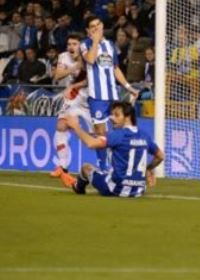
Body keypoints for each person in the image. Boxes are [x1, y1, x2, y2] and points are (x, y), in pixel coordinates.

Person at [59, 101, 164, 198]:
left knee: (86, 168)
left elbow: (91, 144)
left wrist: (76, 127)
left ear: (127, 117)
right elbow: (160, 156)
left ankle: (78, 187)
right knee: (107, 172)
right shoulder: (144, 135)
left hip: (115, 189)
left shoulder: (118, 135)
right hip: (138, 191)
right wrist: (148, 168)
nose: (112, 118)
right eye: (112, 115)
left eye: (117, 115)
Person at [81, 15, 139, 171]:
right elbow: (91, 60)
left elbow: (115, 69)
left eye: (98, 24)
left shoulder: (110, 45)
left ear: (102, 25)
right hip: (97, 97)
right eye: (92, 26)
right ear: (88, 31)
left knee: (117, 132)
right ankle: (102, 166)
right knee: (100, 132)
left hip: (113, 96)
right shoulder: (85, 44)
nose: (96, 28)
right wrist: (94, 40)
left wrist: (128, 87)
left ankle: (118, 164)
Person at [49, 34, 91, 178]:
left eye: (74, 44)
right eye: (69, 44)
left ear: (81, 45)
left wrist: (74, 85)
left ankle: (108, 165)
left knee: (98, 134)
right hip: (72, 98)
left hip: (89, 100)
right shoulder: (63, 56)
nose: (71, 47)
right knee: (61, 126)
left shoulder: (88, 56)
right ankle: (63, 166)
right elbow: (58, 75)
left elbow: (89, 80)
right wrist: (75, 66)